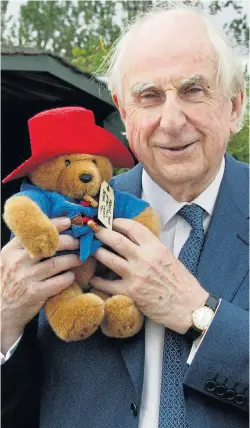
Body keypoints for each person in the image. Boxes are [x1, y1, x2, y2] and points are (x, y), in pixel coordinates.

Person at [1, 3, 249, 428]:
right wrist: (4, 323)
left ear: (234, 106)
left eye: (193, 90)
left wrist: (197, 314)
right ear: (124, 112)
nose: (171, 122)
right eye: (149, 96)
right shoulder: (63, 213)